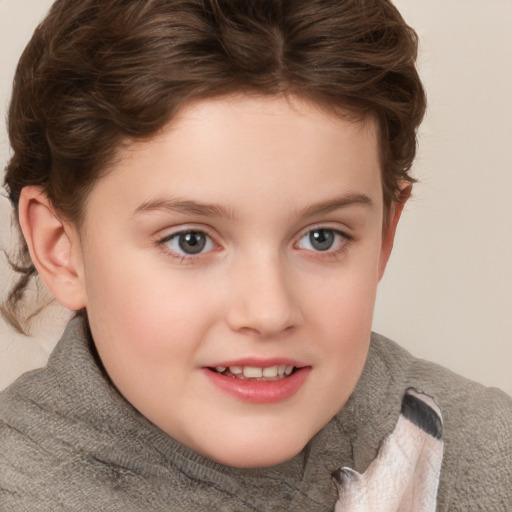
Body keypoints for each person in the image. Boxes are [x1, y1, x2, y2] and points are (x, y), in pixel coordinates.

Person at [0, 0, 510, 510]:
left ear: (383, 236)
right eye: (190, 240)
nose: (268, 312)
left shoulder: (489, 452)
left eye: (322, 237)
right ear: (61, 248)